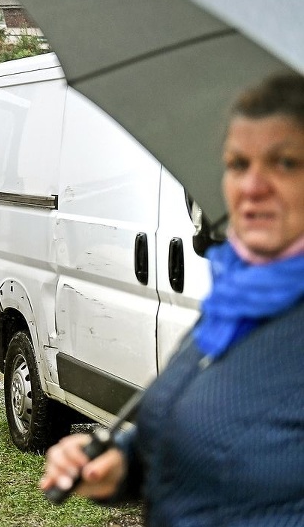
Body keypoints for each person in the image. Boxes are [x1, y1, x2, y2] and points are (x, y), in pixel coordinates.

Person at [39, 73, 304, 525]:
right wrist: (121, 463)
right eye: (238, 164)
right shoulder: (235, 301)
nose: (252, 186)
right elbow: (200, 440)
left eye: (285, 163)